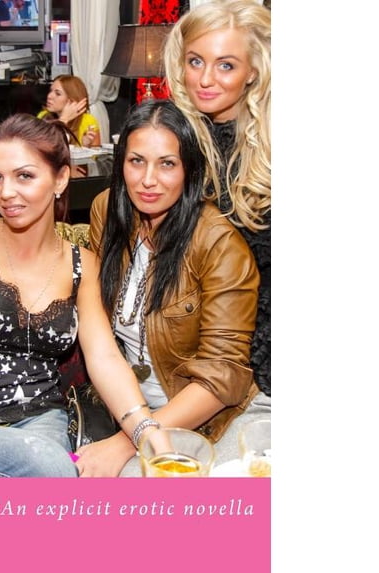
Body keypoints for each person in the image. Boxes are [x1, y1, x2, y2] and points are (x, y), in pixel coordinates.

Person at [78, 99, 259, 476]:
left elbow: (222, 377)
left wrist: (129, 440)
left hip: (202, 419)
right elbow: (98, 330)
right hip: (124, 405)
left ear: (189, 169)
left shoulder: (219, 244)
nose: (148, 180)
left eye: (167, 164)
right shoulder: (107, 211)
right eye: (136, 161)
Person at [0, 113, 159, 477]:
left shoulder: (83, 264)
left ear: (61, 178)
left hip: (39, 421)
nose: (5, 192)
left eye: (24, 176)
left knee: (55, 470)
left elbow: (104, 358)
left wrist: (146, 431)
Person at [163, 0, 271, 403]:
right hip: (191, 351)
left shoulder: (273, 149)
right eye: (195, 61)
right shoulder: (173, 141)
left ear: (253, 71)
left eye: (226, 65)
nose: (205, 79)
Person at [37, 75, 101, 148]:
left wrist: (85, 146)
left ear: (72, 100)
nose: (49, 96)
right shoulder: (43, 116)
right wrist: (64, 119)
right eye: (50, 91)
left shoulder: (88, 120)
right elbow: (43, 148)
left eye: (58, 94)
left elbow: (97, 153)